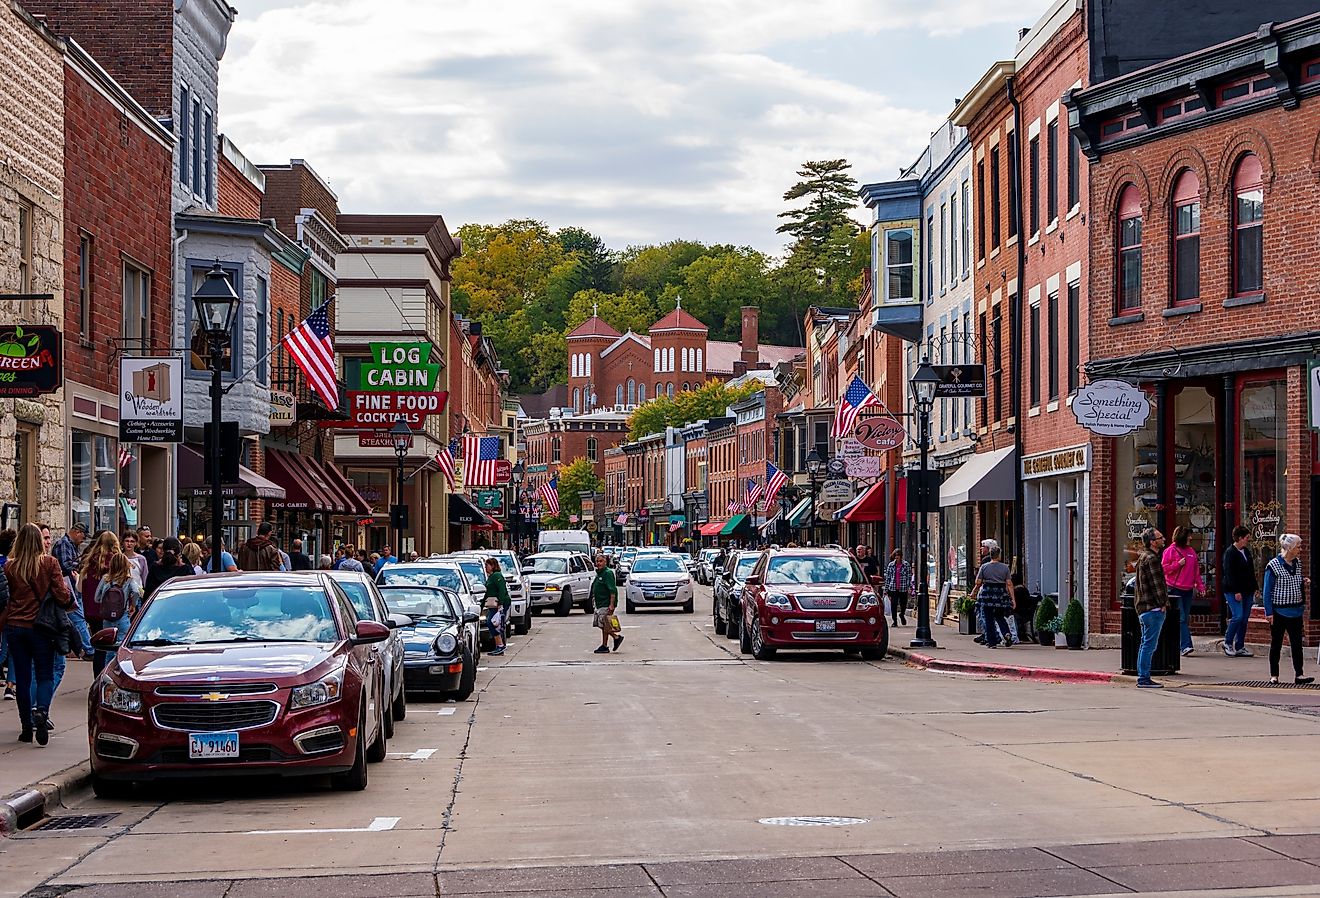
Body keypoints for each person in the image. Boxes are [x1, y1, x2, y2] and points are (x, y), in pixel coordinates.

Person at [3, 524, 75, 745]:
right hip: (42, 627)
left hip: (16, 626)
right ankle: (41, 712)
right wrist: (69, 601)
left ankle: (26, 727)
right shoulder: (49, 563)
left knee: (22, 679)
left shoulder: (10, 567)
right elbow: (62, 594)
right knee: (45, 674)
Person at [1264, 533, 1312, 685]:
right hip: (1279, 611)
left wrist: (1303, 581)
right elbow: (1267, 591)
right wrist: (1269, 612)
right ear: (1289, 548)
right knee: (1276, 644)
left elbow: (1294, 581)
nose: (1300, 549)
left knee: (1297, 644)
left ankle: (1299, 674)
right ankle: (1274, 675)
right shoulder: (1273, 565)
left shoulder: (1297, 563)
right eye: (1298, 547)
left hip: (1295, 610)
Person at [78, 531, 121, 673]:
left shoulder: (90, 561)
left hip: (91, 610)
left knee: (99, 649)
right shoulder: (115, 562)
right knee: (112, 647)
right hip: (109, 611)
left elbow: (82, 587)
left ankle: (97, 678)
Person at [93, 552, 142, 673]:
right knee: (122, 647)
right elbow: (136, 592)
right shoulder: (128, 580)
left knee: (108, 648)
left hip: (107, 618)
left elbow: (96, 598)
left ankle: (107, 672)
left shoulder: (106, 579)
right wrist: (132, 605)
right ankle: (119, 672)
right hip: (122, 616)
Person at [50, 522, 92, 658]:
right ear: (77, 532)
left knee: (76, 618)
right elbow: (66, 565)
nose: (83, 539)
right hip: (67, 585)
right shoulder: (64, 544)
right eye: (83, 536)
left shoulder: (71, 545)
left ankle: (79, 647)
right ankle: (89, 649)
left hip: (71, 585)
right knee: (78, 617)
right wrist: (82, 565)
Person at [1134, 528, 1169, 688]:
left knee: (1145, 644)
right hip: (1152, 609)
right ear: (1152, 542)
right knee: (1149, 645)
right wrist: (1163, 603)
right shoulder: (1152, 559)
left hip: (1143, 608)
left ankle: (1143, 676)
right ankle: (1144, 678)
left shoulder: (1143, 557)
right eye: (1160, 537)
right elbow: (1157, 585)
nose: (1164, 539)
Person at [1162, 526, 1204, 657]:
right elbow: (1164, 569)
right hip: (1175, 589)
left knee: (1184, 618)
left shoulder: (1191, 551)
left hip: (1188, 589)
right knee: (1180, 618)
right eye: (1188, 536)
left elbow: (1196, 571)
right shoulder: (1170, 551)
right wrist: (1178, 564)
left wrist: (1200, 586)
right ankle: (1186, 645)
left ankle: (1179, 643)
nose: (1191, 538)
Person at [1221, 525, 1257, 658]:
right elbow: (1229, 573)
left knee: (1244, 618)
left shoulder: (1246, 551)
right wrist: (1236, 591)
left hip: (1247, 589)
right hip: (1233, 590)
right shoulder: (1230, 553)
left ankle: (1240, 645)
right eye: (1247, 537)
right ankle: (1227, 642)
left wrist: (1255, 587)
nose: (1248, 540)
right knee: (1238, 616)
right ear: (1240, 538)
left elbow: (1251, 571)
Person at [971, 546, 1014, 648]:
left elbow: (978, 582)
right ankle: (1006, 632)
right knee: (1000, 616)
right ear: (999, 555)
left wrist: (973, 592)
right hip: (1000, 594)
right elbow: (1009, 584)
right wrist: (1012, 599)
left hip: (987, 594)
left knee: (988, 619)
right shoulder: (1005, 567)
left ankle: (992, 642)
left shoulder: (984, 567)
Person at [591, 553, 622, 654]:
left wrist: (611, 604)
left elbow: (612, 590)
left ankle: (616, 638)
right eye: (597, 561)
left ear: (605, 562)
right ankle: (605, 645)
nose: (598, 563)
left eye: (600, 561)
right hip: (599, 603)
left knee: (604, 624)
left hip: (606, 603)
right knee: (603, 624)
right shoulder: (599, 573)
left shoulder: (607, 573)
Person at [482, 557, 510, 656]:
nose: (485, 567)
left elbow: (502, 589)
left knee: (492, 623)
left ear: (493, 566)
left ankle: (500, 645)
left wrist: (500, 603)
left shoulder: (497, 576)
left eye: (487, 565)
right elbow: (487, 592)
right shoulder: (491, 577)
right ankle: (499, 645)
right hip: (492, 604)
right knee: (495, 623)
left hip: (499, 604)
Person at [883, 549, 910, 627]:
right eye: (895, 556)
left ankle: (902, 614)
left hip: (903, 587)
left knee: (903, 604)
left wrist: (908, 586)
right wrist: (886, 589)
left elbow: (908, 576)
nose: (896, 558)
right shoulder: (891, 565)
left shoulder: (906, 565)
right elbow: (888, 577)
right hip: (893, 587)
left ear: (901, 556)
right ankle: (894, 621)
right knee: (893, 605)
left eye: (898, 556)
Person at [1011, 571, 1037, 643]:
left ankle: (1015, 634)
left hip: (1020, 612)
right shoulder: (1024, 589)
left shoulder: (1016, 591)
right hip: (1026, 611)